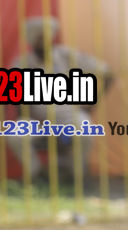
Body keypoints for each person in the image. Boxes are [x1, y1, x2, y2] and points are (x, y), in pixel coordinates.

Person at [8, 16, 113, 180]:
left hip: (69, 116)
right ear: (31, 40)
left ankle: (76, 176)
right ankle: (38, 175)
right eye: (39, 38)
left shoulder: (66, 56)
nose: (43, 42)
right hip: (37, 120)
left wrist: (90, 105)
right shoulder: (21, 64)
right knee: (14, 135)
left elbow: (107, 73)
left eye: (45, 37)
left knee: (85, 131)